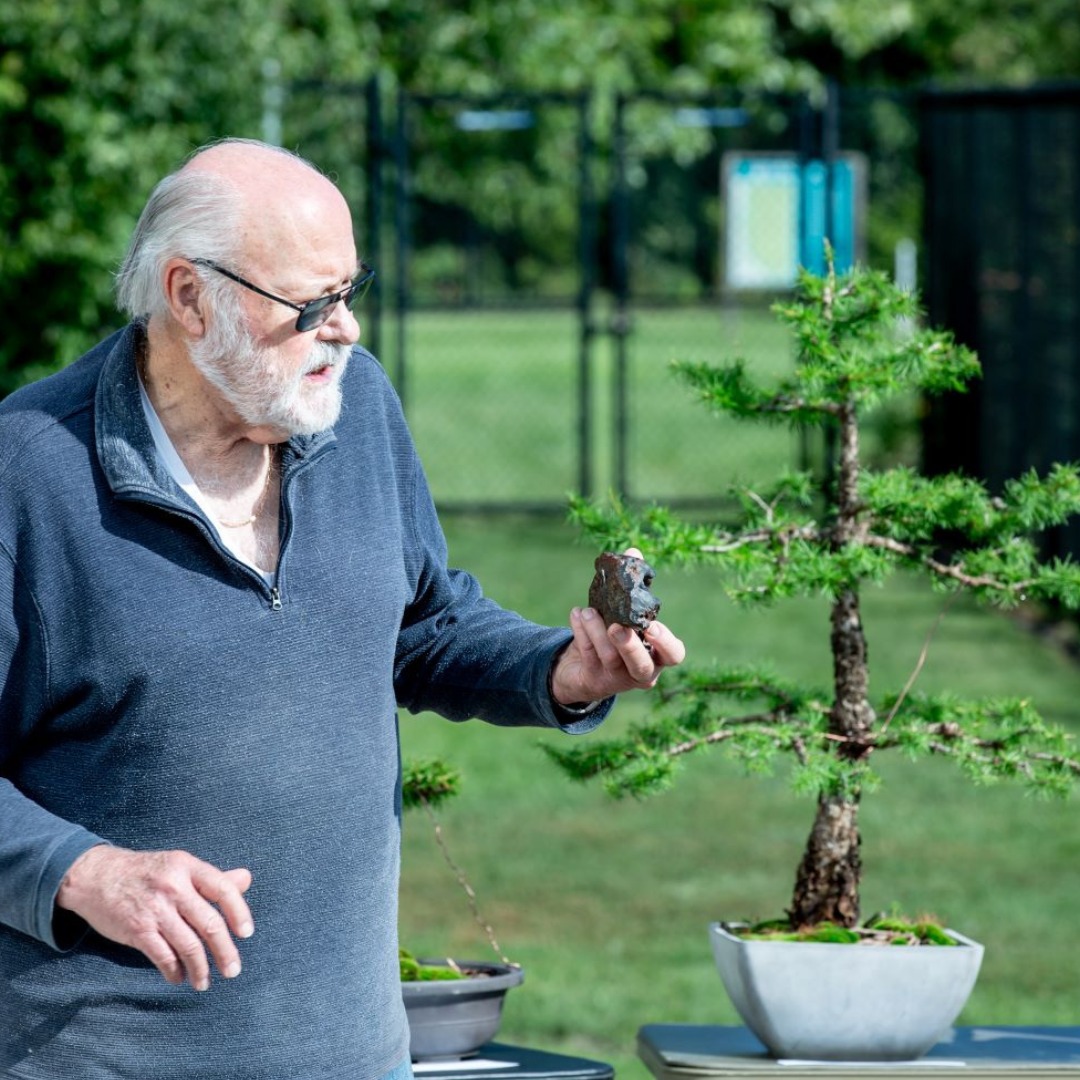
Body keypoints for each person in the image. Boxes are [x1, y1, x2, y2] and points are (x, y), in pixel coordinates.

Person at [0, 138, 685, 1080]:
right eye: (313, 304)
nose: (349, 330)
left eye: (351, 290)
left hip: (353, 1055)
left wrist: (558, 673)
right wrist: (83, 872)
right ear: (190, 298)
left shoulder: (352, 409)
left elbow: (424, 624)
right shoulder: (27, 474)